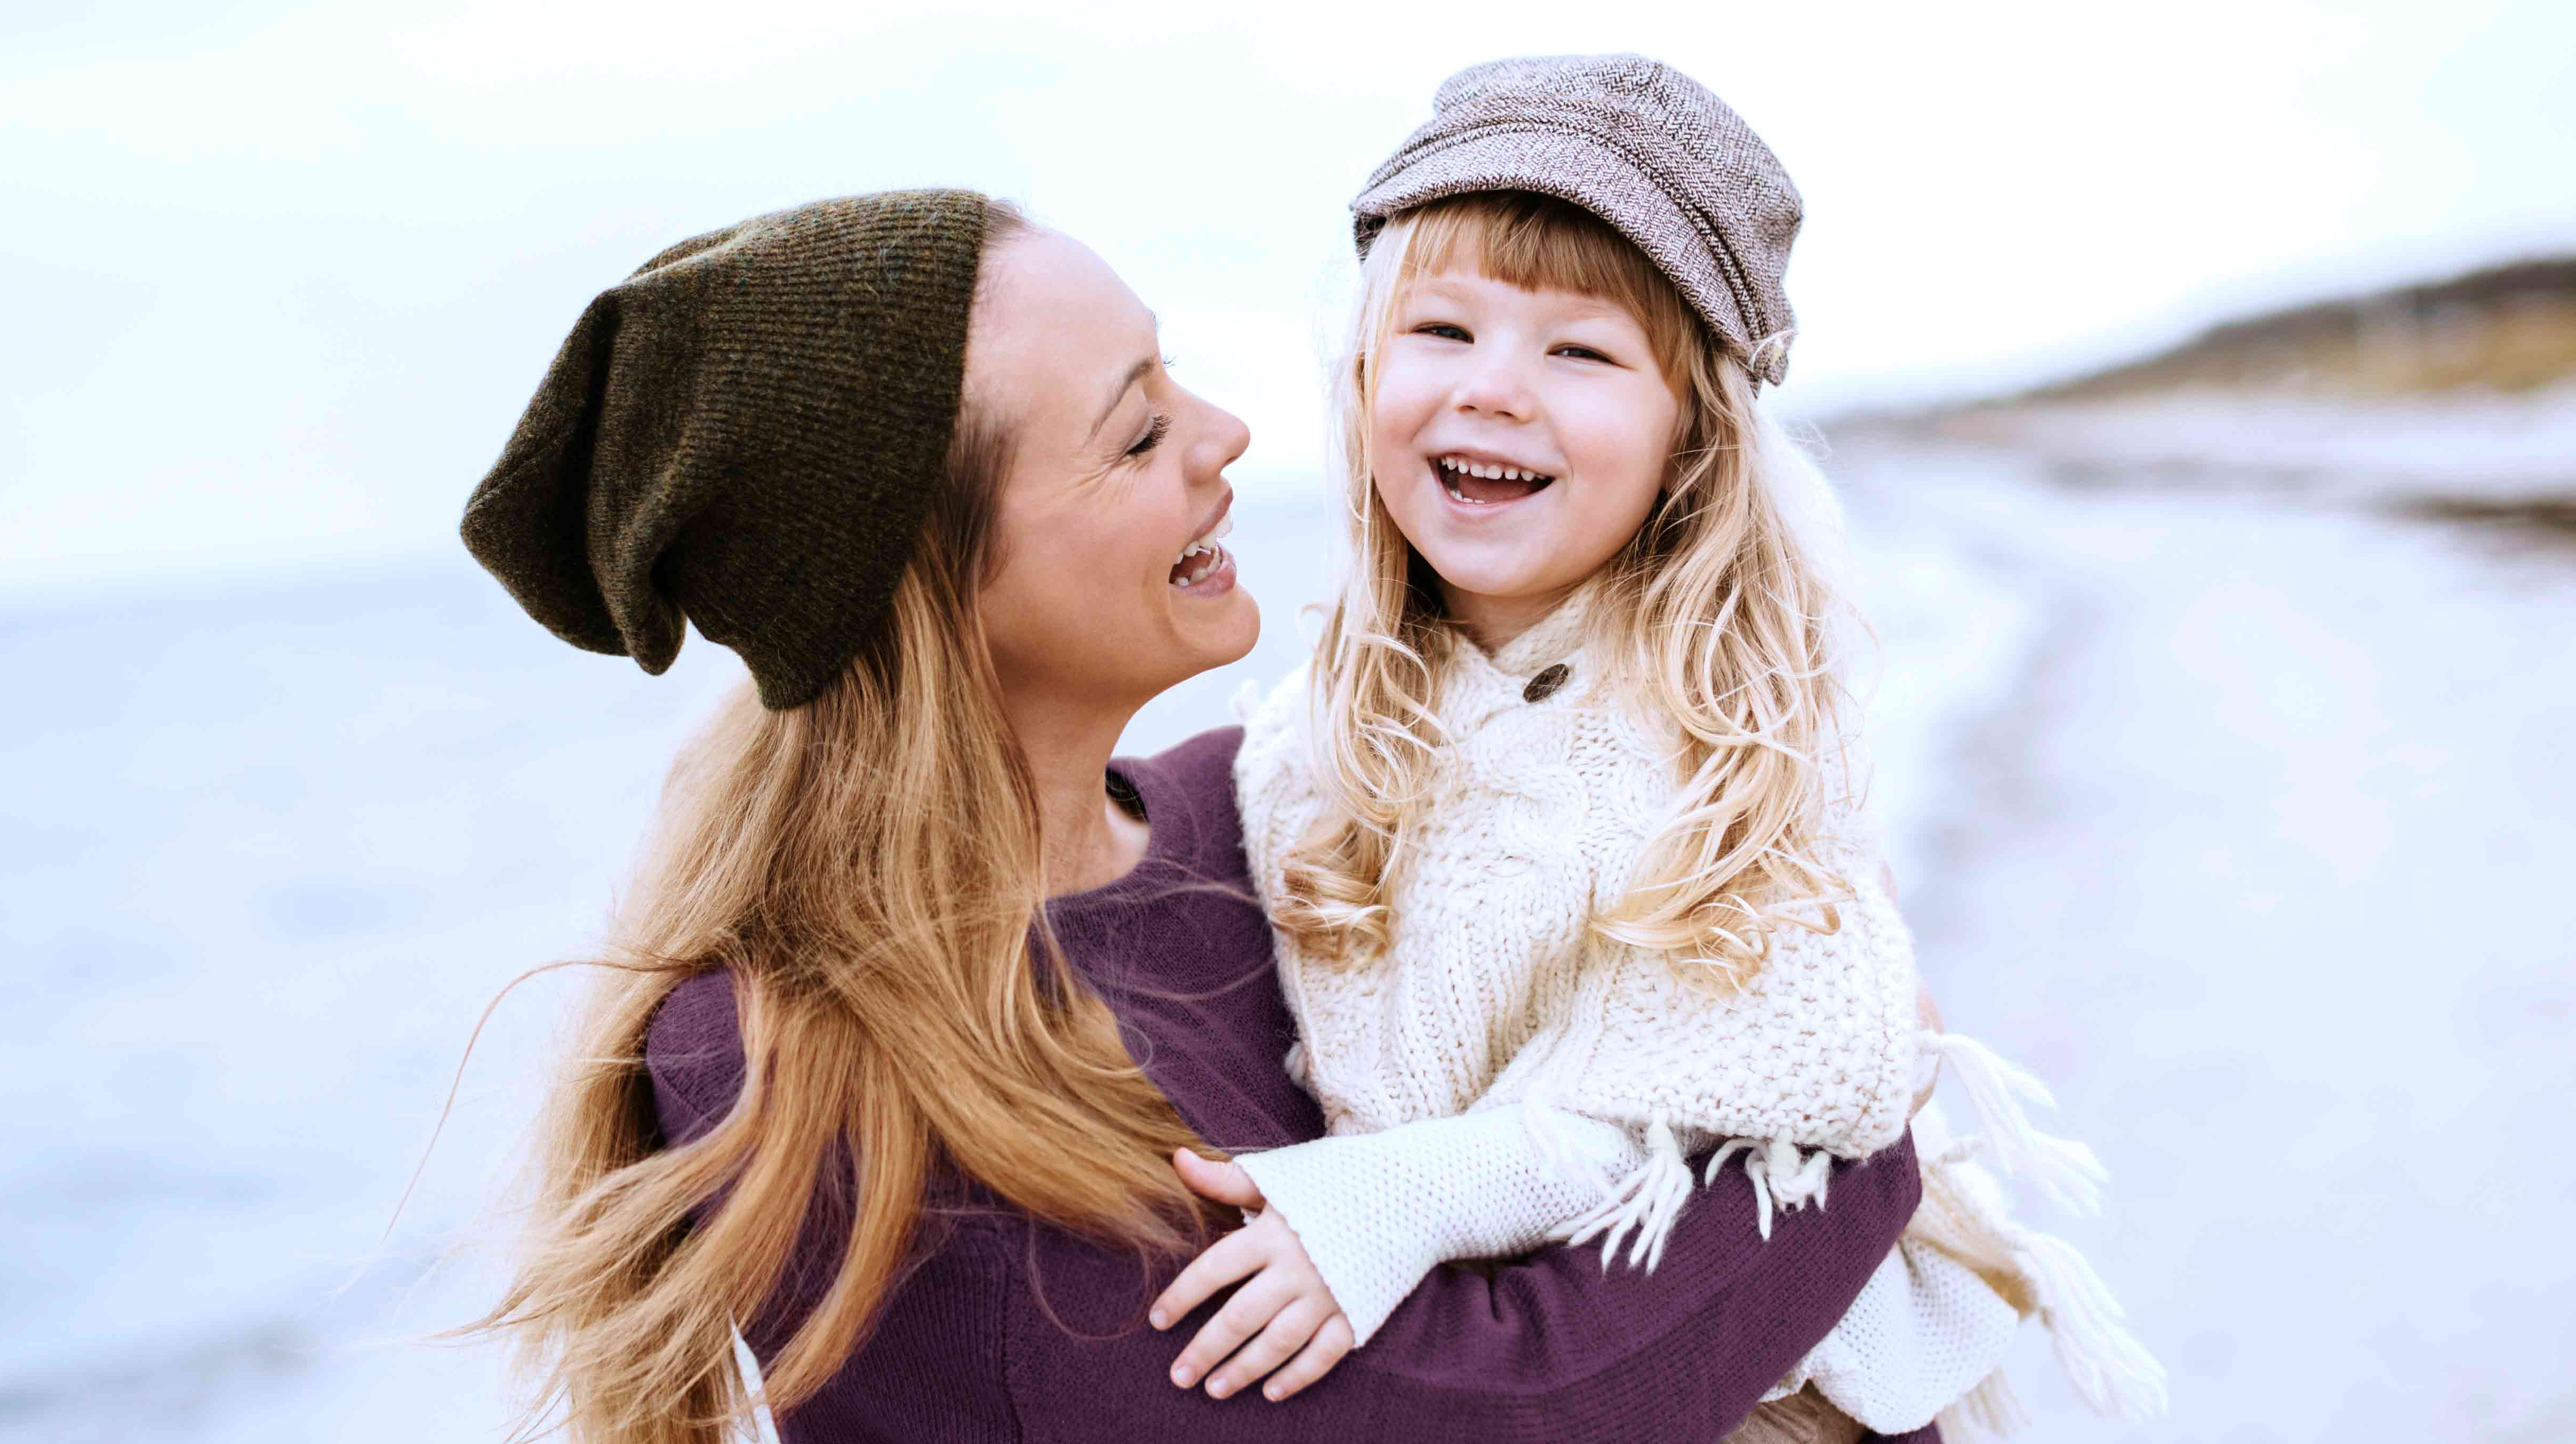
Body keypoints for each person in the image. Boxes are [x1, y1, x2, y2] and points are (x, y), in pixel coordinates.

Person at [453, 188, 1931, 1443]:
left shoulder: (1264, 808)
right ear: (936, 584)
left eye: (1177, 381)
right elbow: (1471, 1410)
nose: (1225, 434)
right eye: (1139, 433)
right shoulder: (804, 1068)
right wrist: (1859, 1139)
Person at [1153, 57, 2169, 1439]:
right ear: (1364, 372)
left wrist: (1392, 1202)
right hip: (1486, 1365)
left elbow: (1757, 1089)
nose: (1495, 390)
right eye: (1443, 329)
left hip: (1758, 1390)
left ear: (1691, 434)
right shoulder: (1313, 729)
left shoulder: (1722, 740)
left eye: (1580, 352)